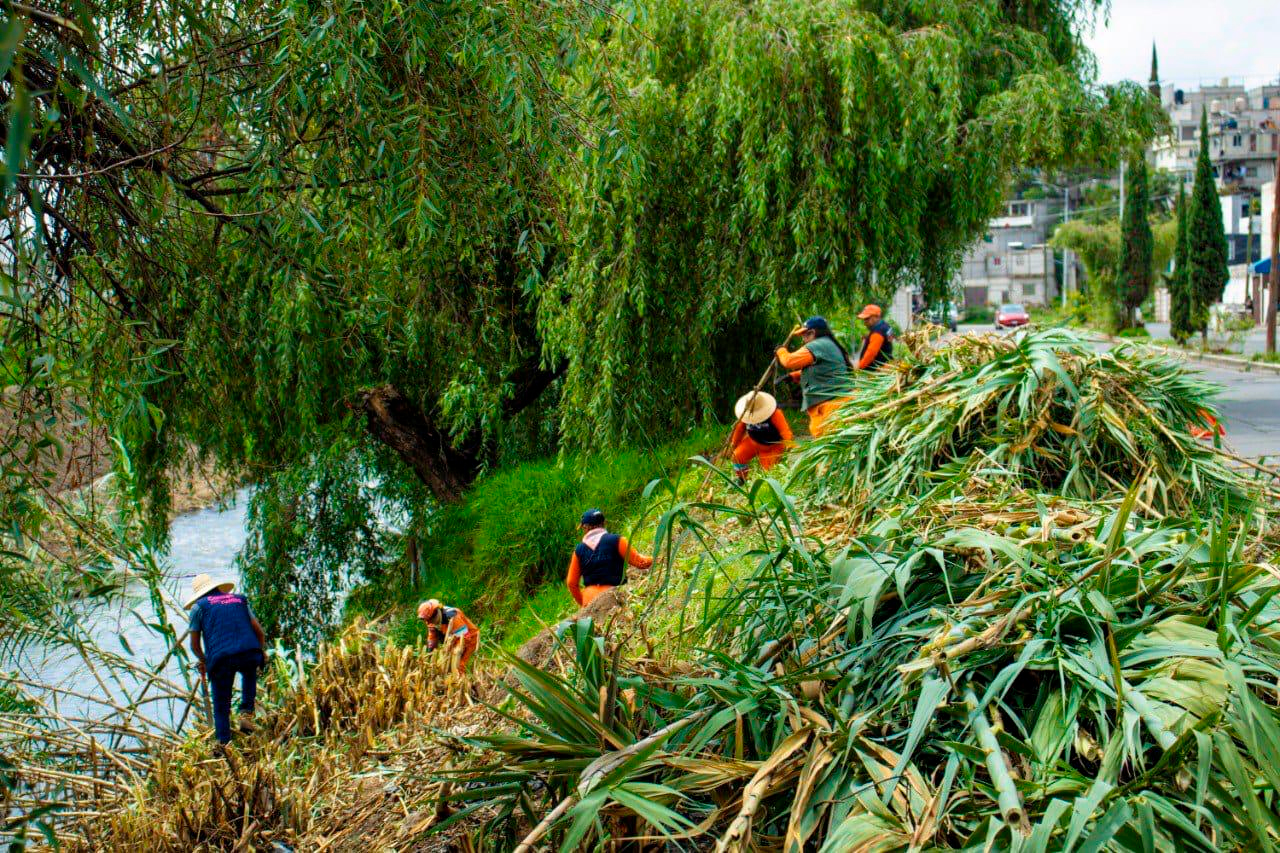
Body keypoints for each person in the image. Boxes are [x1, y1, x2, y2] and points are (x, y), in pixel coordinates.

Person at [186, 573, 267, 747]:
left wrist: (205, 661)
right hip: (250, 650)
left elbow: (194, 646)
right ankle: (246, 714)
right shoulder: (239, 600)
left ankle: (224, 745)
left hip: (222, 658)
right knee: (249, 671)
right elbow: (259, 632)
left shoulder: (198, 608)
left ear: (198, 595)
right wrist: (260, 652)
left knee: (221, 705)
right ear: (217, 588)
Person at [774, 316, 854, 437]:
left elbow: (789, 361)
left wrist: (781, 351)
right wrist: (793, 376)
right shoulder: (828, 344)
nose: (803, 340)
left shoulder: (817, 345)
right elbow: (825, 369)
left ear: (813, 333)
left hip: (832, 405)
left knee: (830, 442)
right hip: (835, 403)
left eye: (805, 335)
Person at [566, 509, 653, 607]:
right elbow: (641, 562)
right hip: (613, 596)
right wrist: (655, 558)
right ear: (603, 523)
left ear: (586, 527)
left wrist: (583, 604)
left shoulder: (578, 550)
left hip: (589, 598)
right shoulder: (617, 540)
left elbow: (571, 583)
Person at [729, 390, 793, 481]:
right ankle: (742, 479)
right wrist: (734, 443)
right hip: (753, 442)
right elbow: (739, 429)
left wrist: (790, 444)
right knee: (738, 456)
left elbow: (785, 431)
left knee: (768, 472)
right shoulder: (746, 414)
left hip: (772, 446)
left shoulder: (775, 414)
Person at [417, 599, 479, 673]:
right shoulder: (430, 620)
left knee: (458, 665)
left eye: (430, 620)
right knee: (446, 664)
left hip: (470, 638)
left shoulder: (453, 617)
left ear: (435, 612)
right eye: (427, 620)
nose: (428, 622)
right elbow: (432, 637)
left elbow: (465, 638)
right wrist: (430, 653)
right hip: (452, 640)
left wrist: (454, 652)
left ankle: (461, 680)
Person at [854, 304, 894, 370]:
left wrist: (859, 367)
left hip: (876, 371)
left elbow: (871, 353)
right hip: (885, 367)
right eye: (864, 319)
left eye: (867, 319)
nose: (865, 322)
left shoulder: (878, 332)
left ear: (876, 317)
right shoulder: (885, 326)